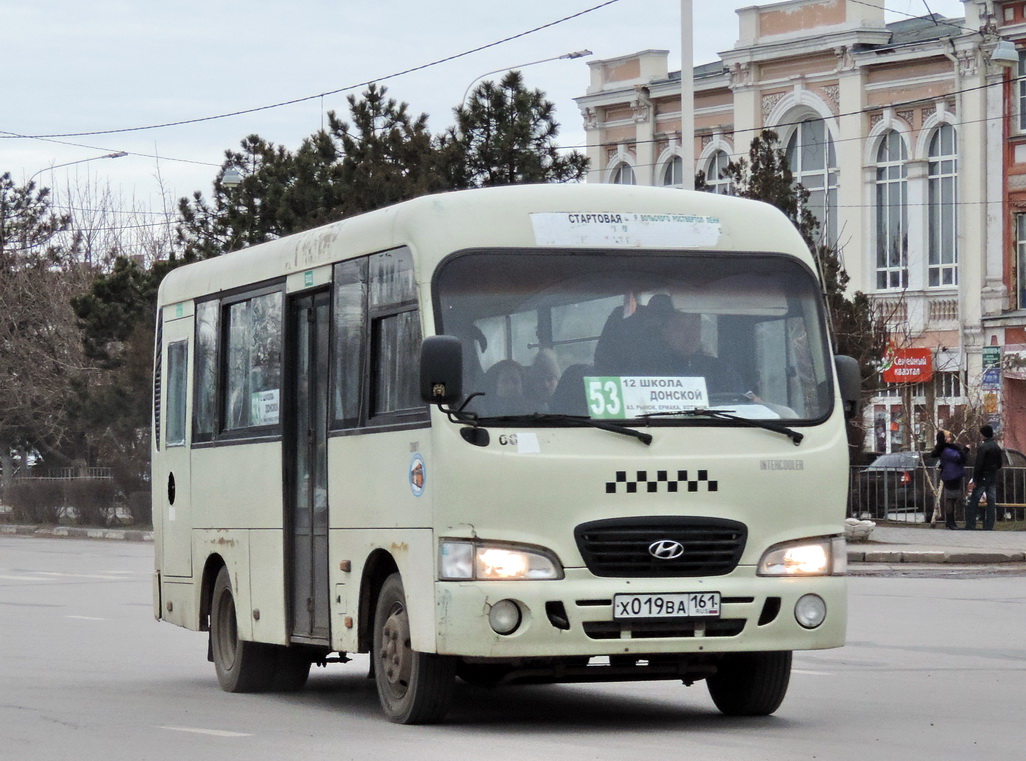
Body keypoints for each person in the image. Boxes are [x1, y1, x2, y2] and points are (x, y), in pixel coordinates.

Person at [965, 424, 1003, 530]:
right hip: (993, 476)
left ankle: (971, 524)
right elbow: (1000, 463)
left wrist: (975, 479)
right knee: (991, 501)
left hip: (982, 477)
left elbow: (979, 464)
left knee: (974, 500)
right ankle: (989, 525)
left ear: (984, 434)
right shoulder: (996, 446)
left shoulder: (983, 447)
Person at [929, 430, 966, 530]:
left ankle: (951, 521)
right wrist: (965, 450)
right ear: (944, 439)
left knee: (953, 498)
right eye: (948, 437)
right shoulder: (946, 450)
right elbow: (957, 457)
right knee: (951, 498)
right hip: (951, 475)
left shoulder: (949, 448)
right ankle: (950, 522)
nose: (951, 438)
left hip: (954, 474)